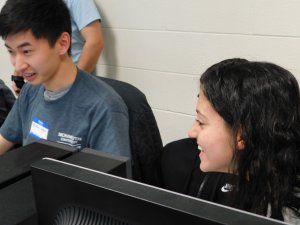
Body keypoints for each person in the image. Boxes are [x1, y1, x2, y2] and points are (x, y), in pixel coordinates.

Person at [0, 0, 130, 158]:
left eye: (26, 51)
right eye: (11, 52)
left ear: (62, 43)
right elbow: (4, 139)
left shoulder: (103, 106)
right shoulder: (30, 91)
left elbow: (110, 181)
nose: (18, 65)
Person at [188, 58, 300, 223]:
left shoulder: (286, 216)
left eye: (201, 121)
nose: (191, 132)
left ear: (241, 136)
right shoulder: (259, 185)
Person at [11, 0, 104, 95]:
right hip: (42, 84)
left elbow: (95, 43)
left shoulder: (77, 2)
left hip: (69, 84)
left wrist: (75, 84)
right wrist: (19, 72)